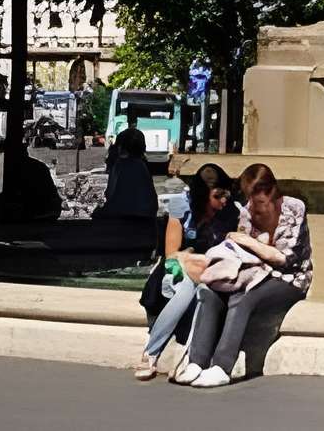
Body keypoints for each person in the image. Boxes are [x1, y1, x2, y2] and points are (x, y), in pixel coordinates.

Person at [175, 162, 311, 389]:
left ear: (272, 193)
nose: (253, 209)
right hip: (254, 271)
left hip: (289, 278)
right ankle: (196, 362)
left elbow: (286, 259)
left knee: (246, 296)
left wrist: (249, 242)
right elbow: (244, 251)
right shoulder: (247, 211)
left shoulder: (294, 208)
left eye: (259, 202)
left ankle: (222, 366)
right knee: (210, 292)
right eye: (250, 200)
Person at [135, 164, 239, 382]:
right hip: (179, 268)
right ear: (202, 194)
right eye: (218, 196)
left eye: (226, 195)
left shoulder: (230, 212)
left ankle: (181, 356)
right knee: (187, 290)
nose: (223, 201)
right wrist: (191, 254)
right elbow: (172, 253)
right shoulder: (180, 206)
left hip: (209, 269)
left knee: (203, 292)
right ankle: (151, 352)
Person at [96, 123, 158, 222]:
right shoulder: (141, 165)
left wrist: (99, 212)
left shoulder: (124, 165)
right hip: (143, 219)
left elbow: (113, 198)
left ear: (120, 147)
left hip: (128, 222)